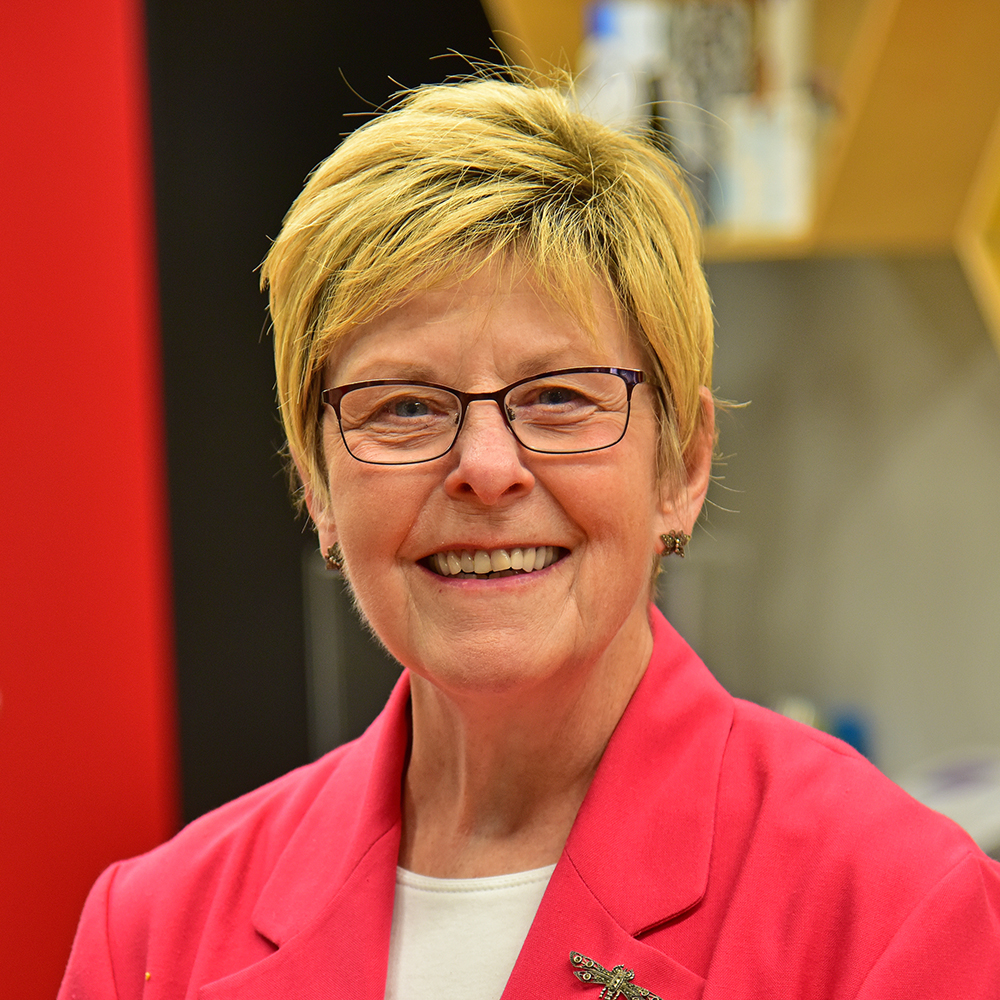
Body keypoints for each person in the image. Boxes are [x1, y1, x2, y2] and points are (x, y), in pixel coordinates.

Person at [60, 75, 1000, 1000]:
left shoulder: (894, 911)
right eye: (405, 407)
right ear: (316, 484)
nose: (485, 466)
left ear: (682, 466)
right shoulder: (151, 935)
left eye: (558, 398)